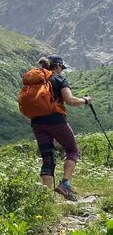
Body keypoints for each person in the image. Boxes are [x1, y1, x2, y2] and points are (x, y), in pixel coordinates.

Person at [31, 55, 92, 200]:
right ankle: (65, 185)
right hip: (56, 121)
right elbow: (70, 101)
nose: (62, 70)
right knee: (72, 150)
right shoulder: (59, 80)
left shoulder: (36, 80)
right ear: (57, 66)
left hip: (37, 123)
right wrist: (85, 100)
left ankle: (46, 196)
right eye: (61, 68)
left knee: (47, 157)